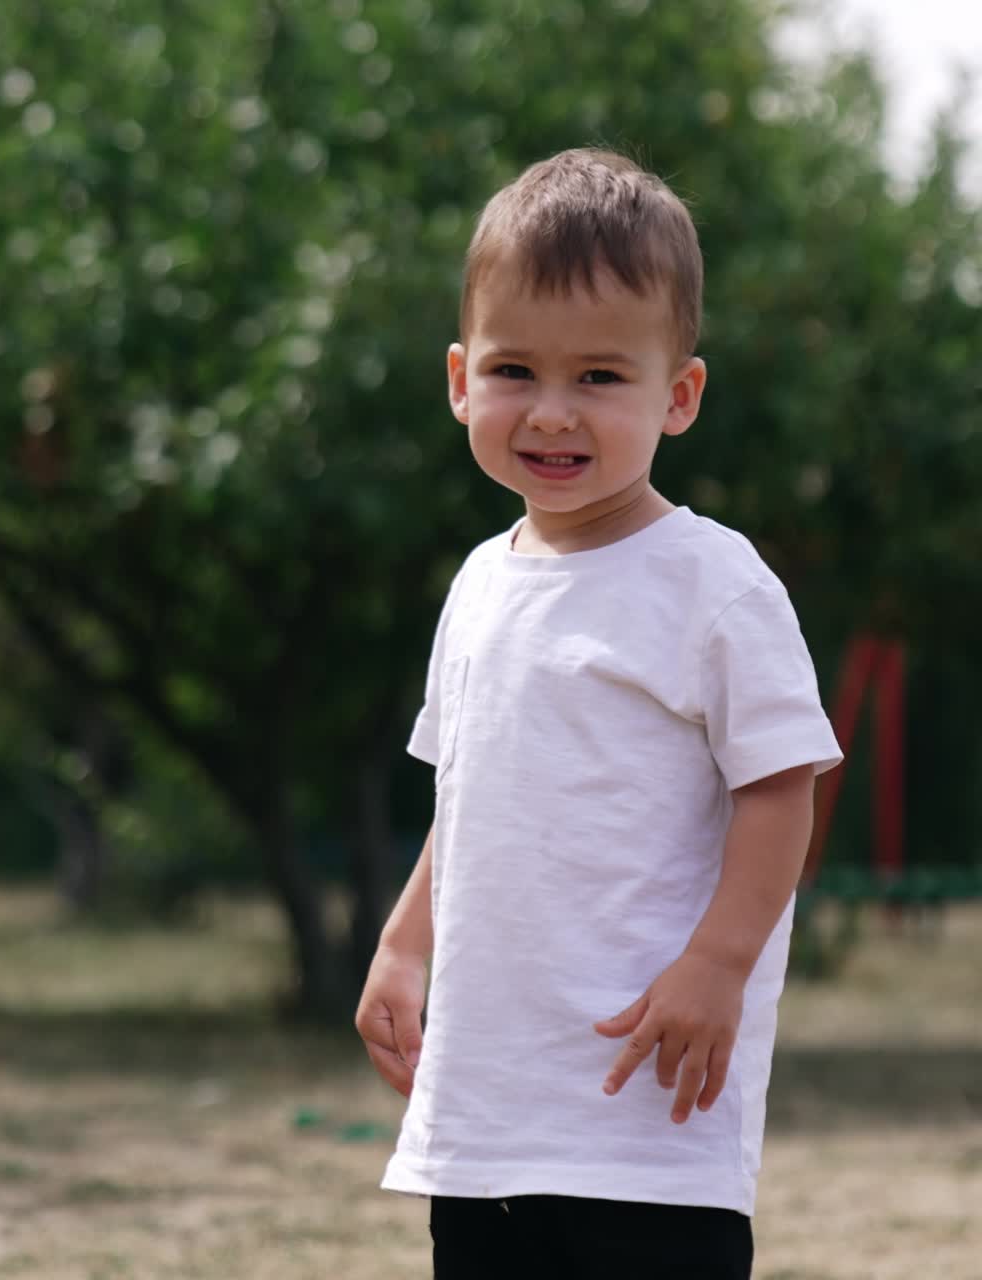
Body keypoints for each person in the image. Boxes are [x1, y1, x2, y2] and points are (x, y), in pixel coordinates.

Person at [354, 148, 843, 1279]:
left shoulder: (711, 582)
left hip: (647, 1112)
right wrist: (399, 941)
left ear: (677, 395)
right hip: (487, 1112)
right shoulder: (479, 582)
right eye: (514, 368)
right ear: (457, 379)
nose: (552, 412)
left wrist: (718, 961)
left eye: (601, 378)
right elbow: (465, 796)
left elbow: (780, 787)